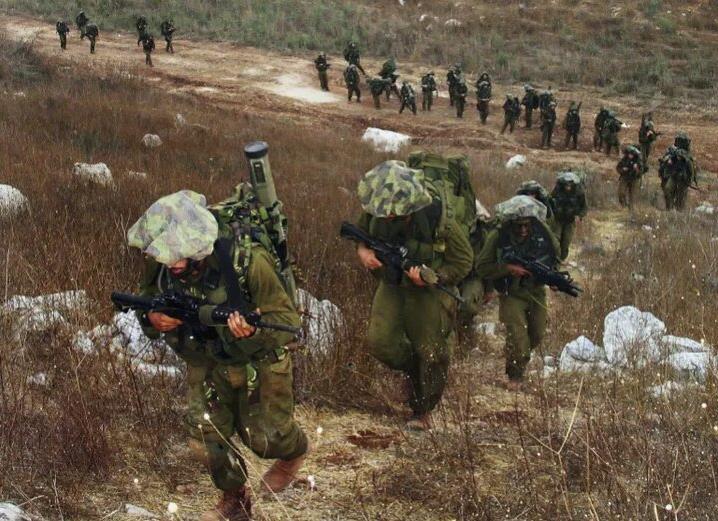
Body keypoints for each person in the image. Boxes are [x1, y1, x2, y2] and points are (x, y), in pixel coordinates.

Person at [128, 190, 307, 521]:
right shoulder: (165, 263)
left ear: (195, 247)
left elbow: (288, 323)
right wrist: (152, 318)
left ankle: (293, 455)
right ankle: (235, 498)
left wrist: (252, 332)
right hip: (206, 359)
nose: (168, 263)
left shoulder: (249, 260)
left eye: (175, 256)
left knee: (266, 440)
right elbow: (147, 298)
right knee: (206, 435)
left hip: (257, 360)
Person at [353, 160, 473, 430]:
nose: (385, 216)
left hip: (427, 291)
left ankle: (423, 408)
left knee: (433, 352)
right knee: (380, 342)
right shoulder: (378, 207)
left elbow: (464, 261)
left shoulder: (438, 218)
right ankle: (413, 370)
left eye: (391, 212)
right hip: (392, 284)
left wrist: (434, 276)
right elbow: (360, 234)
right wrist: (363, 251)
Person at [475, 195, 560, 387]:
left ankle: (515, 353)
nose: (523, 230)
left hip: (536, 291)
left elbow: (555, 255)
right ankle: (515, 375)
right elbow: (481, 267)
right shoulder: (498, 236)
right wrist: (508, 269)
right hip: (511, 293)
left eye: (527, 225)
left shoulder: (542, 233)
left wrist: (553, 278)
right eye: (518, 226)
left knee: (536, 334)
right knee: (518, 336)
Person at [550, 172, 587, 261]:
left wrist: (579, 216)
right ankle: (555, 259)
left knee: (566, 242)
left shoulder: (579, 192)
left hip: (570, 220)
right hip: (558, 219)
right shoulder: (558, 190)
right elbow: (550, 202)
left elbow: (584, 207)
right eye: (566, 184)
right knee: (555, 240)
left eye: (570, 185)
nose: (568, 187)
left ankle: (562, 258)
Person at [659, 132, 698, 211]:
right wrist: (669, 160)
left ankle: (679, 212)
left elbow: (691, 169)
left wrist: (690, 180)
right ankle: (669, 208)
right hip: (673, 175)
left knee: (681, 197)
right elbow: (665, 160)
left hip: (683, 178)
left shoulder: (687, 155)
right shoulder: (673, 151)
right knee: (668, 189)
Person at [616, 145, 644, 209]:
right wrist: (623, 169)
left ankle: (631, 210)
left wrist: (636, 169)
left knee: (632, 196)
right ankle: (624, 206)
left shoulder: (638, 161)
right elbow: (618, 167)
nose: (630, 155)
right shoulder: (625, 159)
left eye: (632, 154)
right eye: (629, 154)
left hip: (634, 179)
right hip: (625, 177)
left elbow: (641, 172)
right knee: (621, 193)